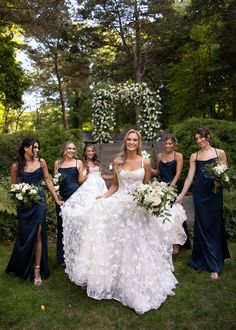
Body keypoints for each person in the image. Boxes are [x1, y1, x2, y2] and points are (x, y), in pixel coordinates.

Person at [61, 129, 187, 314]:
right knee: (118, 243)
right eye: (129, 139)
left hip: (138, 207)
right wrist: (103, 196)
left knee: (138, 244)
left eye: (135, 139)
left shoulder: (144, 161)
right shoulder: (117, 161)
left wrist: (153, 197)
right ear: (125, 142)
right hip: (119, 204)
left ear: (139, 142)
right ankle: (117, 279)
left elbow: (145, 185)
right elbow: (114, 186)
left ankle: (140, 282)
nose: (131, 142)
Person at [6, 138, 63, 286]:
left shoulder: (41, 162)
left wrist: (56, 199)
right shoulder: (16, 166)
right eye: (34, 147)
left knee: (38, 232)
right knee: (25, 235)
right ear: (26, 148)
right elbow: (14, 188)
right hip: (25, 204)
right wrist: (22, 195)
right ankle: (22, 264)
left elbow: (48, 180)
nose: (37, 150)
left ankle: (37, 270)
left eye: (38, 147)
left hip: (39, 202)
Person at [176, 128, 230, 280]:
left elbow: (224, 174)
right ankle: (203, 259)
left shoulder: (220, 153)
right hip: (200, 193)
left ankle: (215, 263)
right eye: (197, 139)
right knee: (202, 224)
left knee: (213, 225)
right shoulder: (195, 156)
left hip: (214, 193)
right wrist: (181, 195)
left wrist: (219, 180)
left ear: (208, 137)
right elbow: (189, 177)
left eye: (201, 138)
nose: (199, 141)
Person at [151, 133, 191, 254]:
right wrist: (146, 166)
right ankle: (163, 241)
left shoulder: (178, 156)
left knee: (174, 216)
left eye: (170, 143)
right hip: (160, 187)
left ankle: (176, 244)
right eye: (166, 143)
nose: (168, 145)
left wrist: (171, 187)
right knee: (160, 215)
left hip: (172, 188)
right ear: (163, 144)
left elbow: (178, 173)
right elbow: (158, 172)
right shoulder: (159, 156)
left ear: (174, 144)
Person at [54, 141, 85, 265]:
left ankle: (76, 254)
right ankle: (61, 258)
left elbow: (80, 180)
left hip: (75, 197)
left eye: (73, 148)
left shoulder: (79, 162)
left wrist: (87, 176)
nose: (71, 150)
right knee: (61, 226)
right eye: (69, 148)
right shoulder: (58, 163)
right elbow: (55, 181)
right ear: (64, 150)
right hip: (61, 198)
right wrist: (57, 197)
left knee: (75, 226)